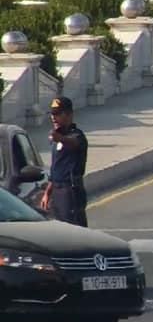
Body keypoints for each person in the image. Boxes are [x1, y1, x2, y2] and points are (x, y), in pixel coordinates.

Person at [40, 96, 89, 226]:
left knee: (75, 229)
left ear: (69, 115)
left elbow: (74, 143)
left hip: (71, 190)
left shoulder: (76, 135)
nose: (53, 118)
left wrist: (60, 138)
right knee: (60, 228)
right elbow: (55, 168)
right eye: (52, 114)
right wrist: (47, 193)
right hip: (57, 190)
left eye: (57, 114)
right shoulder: (57, 138)